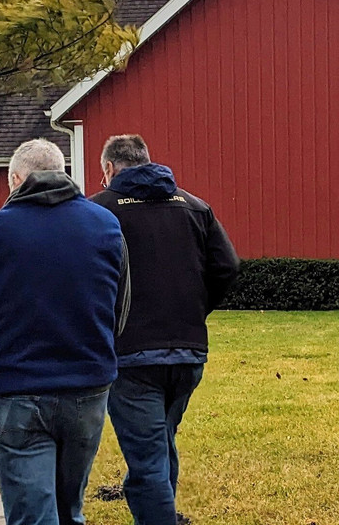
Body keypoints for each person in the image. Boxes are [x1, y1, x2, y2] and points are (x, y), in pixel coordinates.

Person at [0, 138, 129, 525]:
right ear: (63, 173)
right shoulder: (106, 226)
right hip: (87, 384)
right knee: (70, 510)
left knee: (32, 515)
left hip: (16, 384)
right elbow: (119, 309)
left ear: (16, 179)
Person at [91, 134, 240, 525]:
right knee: (160, 442)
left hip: (131, 354)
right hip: (188, 351)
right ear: (146, 160)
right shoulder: (195, 207)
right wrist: (195, 309)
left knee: (146, 462)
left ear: (109, 168)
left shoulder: (99, 211)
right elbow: (227, 266)